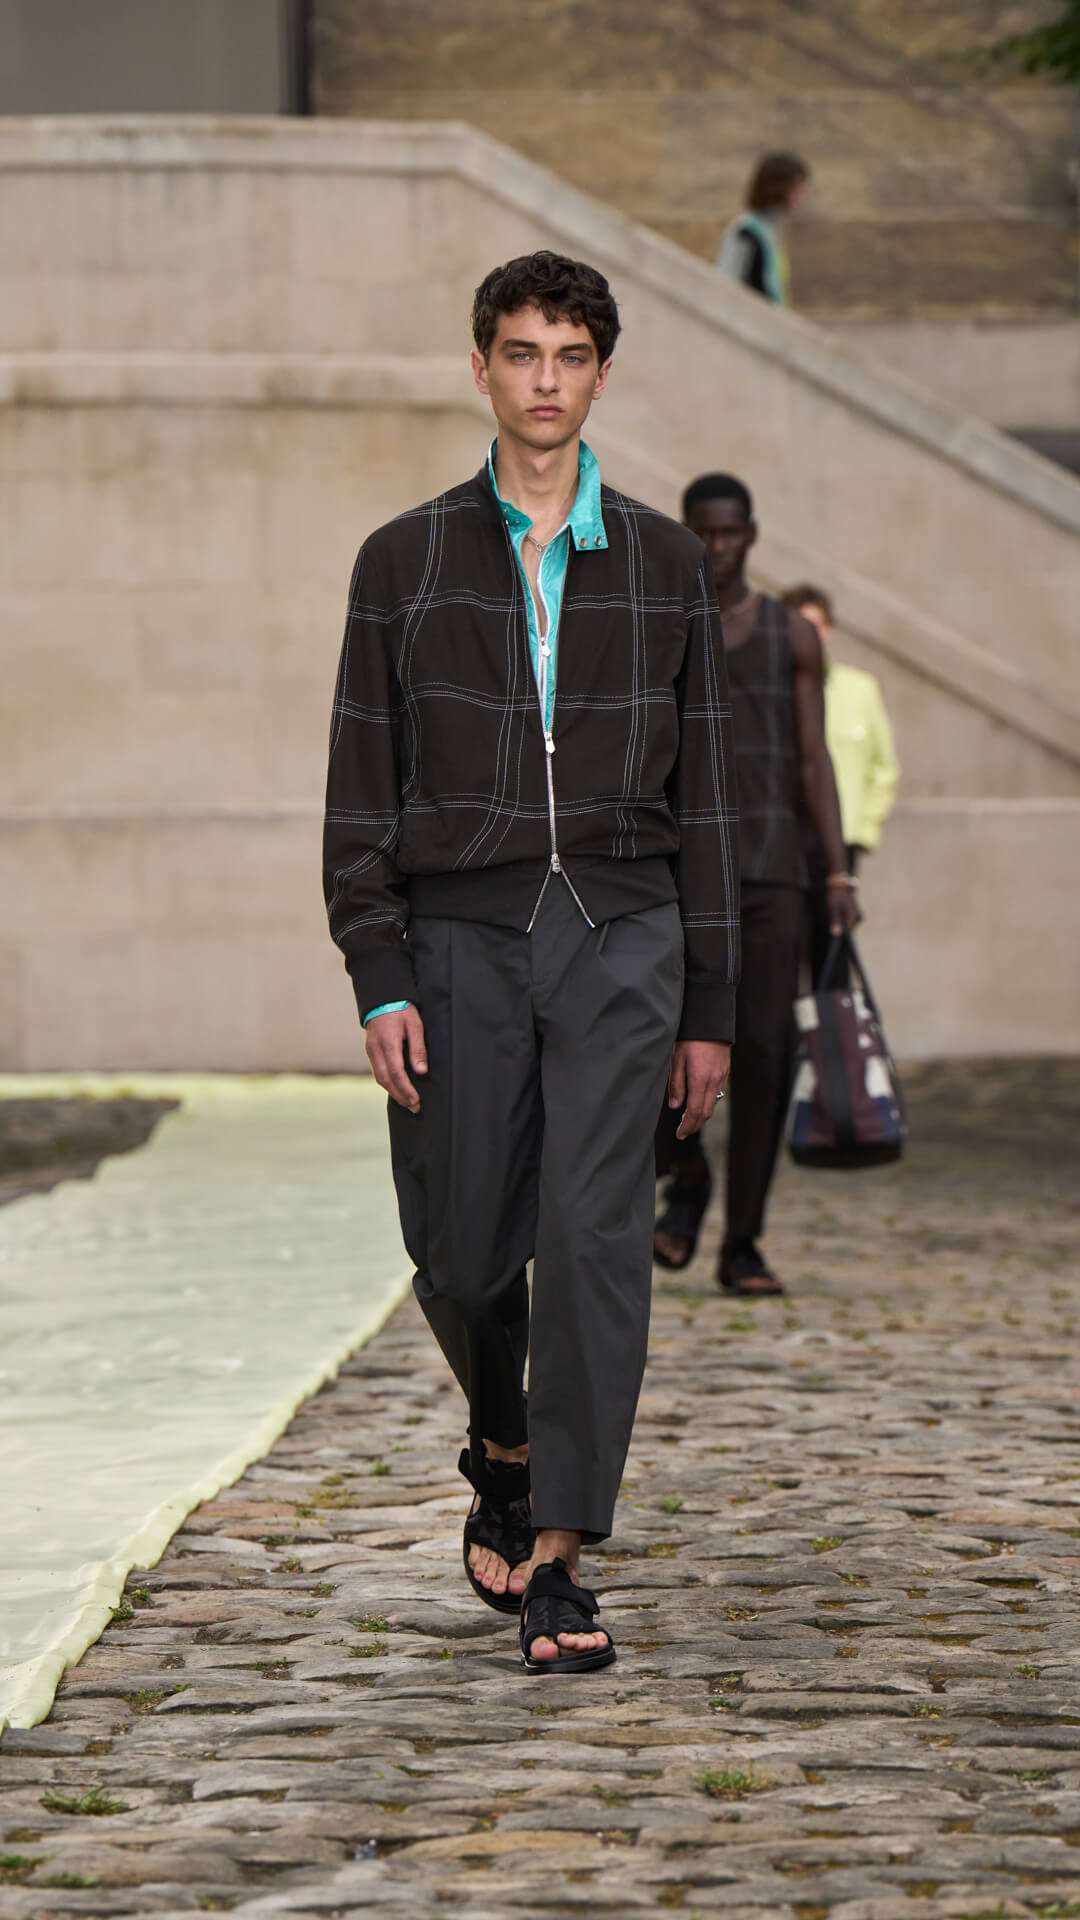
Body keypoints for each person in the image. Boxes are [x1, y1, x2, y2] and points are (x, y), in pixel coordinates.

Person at [323, 252, 740, 1674]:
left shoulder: (668, 566)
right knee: (455, 1248)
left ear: (602, 375)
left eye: (570, 355)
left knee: (595, 1237)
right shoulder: (405, 559)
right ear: (482, 368)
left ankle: (559, 1554)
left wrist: (711, 1003)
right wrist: (379, 972)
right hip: (460, 939)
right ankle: (502, 1442)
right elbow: (360, 787)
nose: (545, 379)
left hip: (624, 935)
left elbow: (711, 801)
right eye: (522, 352)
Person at [654, 475, 858, 1297]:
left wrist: (835, 869)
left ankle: (743, 1242)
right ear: (686, 533)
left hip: (773, 870)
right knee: (654, 1039)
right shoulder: (663, 623)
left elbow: (814, 758)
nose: (718, 546)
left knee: (766, 1055)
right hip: (677, 869)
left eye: (730, 532)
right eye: (704, 532)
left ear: (752, 534)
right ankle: (686, 1175)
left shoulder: (790, 635)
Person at [781, 584, 900, 987]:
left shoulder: (859, 689)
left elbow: (884, 766)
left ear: (829, 629)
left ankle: (832, 1029)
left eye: (815, 626)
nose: (808, 636)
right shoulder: (771, 688)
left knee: (832, 952)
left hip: (837, 841)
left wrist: (862, 831)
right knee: (779, 956)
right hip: (783, 838)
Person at [717, 152, 810, 307]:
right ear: (779, 188)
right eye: (797, 190)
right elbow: (726, 282)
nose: (802, 197)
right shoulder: (745, 231)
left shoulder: (770, 231)